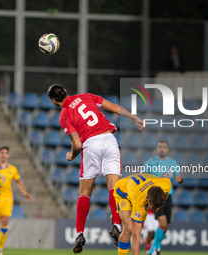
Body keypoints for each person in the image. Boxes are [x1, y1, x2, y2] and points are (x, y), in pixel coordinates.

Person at [47, 84, 144, 254]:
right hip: (108, 139)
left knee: (85, 192)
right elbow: (114, 107)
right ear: (66, 91)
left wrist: (72, 155)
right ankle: (116, 224)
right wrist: (134, 117)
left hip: (90, 144)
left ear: (54, 101)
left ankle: (79, 234)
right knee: (114, 188)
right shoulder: (87, 96)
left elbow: (77, 144)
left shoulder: (64, 116)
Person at [114, 173, 171, 255]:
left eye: (158, 207)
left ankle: (118, 215)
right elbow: (136, 236)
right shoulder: (139, 202)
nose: (156, 210)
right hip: (123, 189)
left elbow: (165, 175)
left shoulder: (165, 186)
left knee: (138, 224)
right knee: (129, 228)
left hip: (137, 186)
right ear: (147, 200)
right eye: (154, 207)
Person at [144, 140, 183, 255]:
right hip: (156, 197)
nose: (162, 149)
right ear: (157, 149)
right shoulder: (150, 162)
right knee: (163, 222)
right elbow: (143, 176)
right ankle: (156, 248)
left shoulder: (172, 163)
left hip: (168, 196)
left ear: (167, 149)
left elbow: (179, 177)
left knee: (165, 227)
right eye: (160, 147)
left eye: (164, 147)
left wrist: (179, 179)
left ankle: (153, 249)